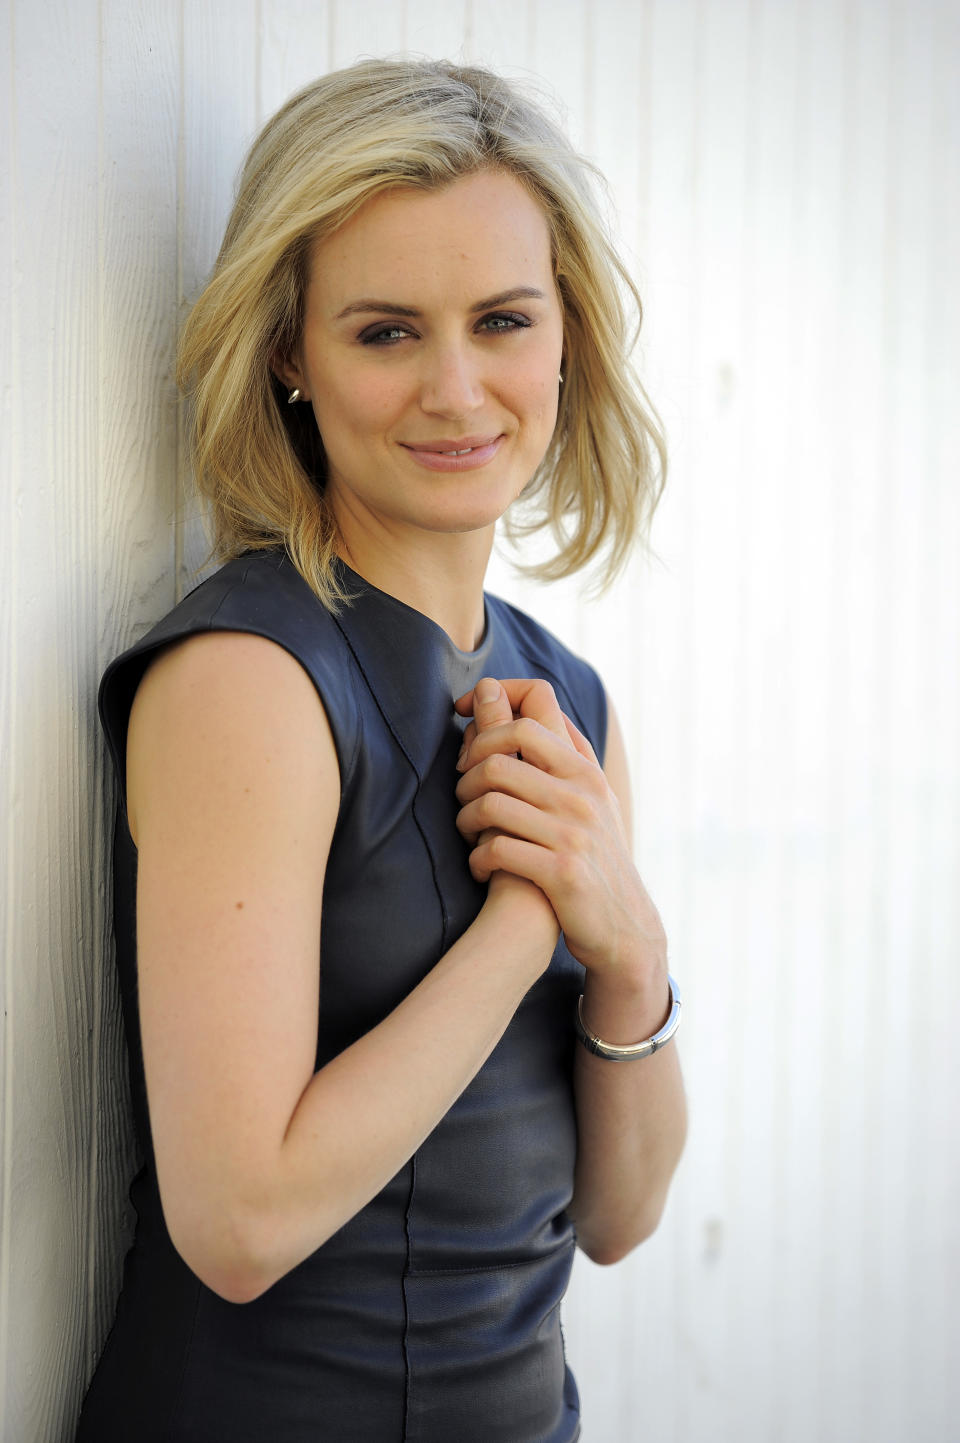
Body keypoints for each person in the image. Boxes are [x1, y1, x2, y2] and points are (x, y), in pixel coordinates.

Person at [76, 57, 687, 1443]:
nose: (458, 390)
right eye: (387, 331)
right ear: (289, 350)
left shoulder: (567, 697)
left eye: (502, 321)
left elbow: (622, 1217)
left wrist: (632, 952)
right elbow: (237, 1220)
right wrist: (529, 924)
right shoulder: (252, 674)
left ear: (567, 337)